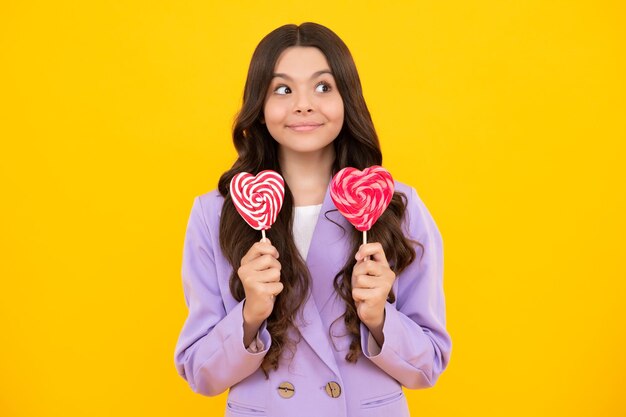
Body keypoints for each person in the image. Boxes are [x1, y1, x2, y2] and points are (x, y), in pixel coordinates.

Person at [174, 22, 451, 417]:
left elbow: (429, 365)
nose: (304, 104)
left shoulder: (393, 206)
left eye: (323, 87)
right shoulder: (216, 213)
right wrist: (250, 314)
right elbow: (202, 374)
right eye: (283, 89)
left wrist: (379, 318)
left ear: (347, 99)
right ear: (260, 104)